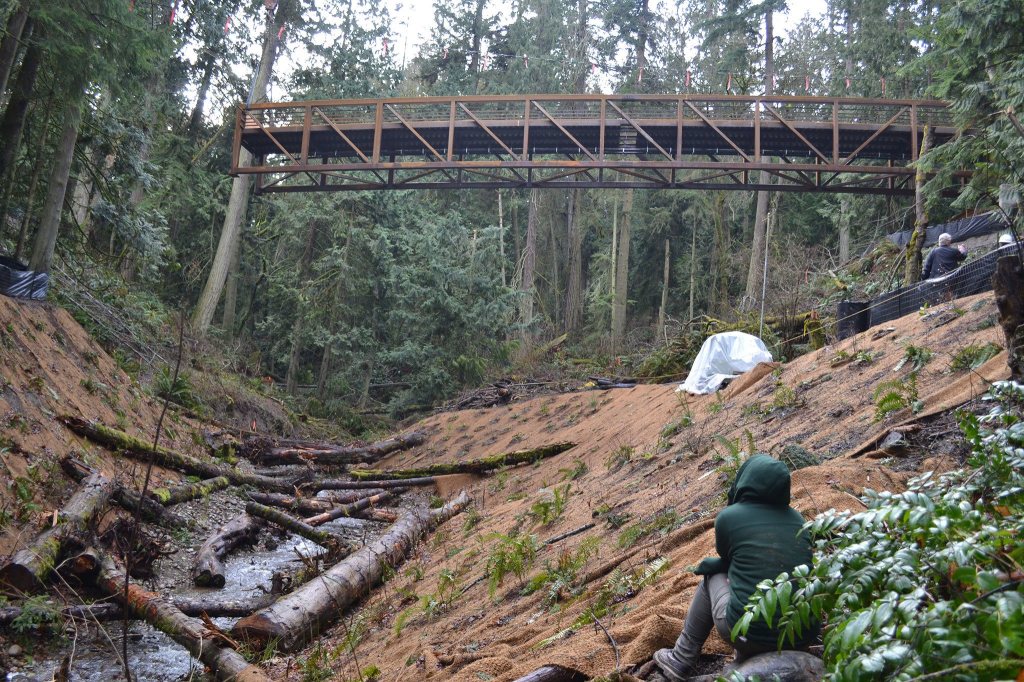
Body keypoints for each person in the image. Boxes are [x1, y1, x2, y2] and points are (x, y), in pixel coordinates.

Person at [651, 455, 819, 681]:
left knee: (713, 575)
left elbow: (729, 559)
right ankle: (744, 659)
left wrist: (709, 566)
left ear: (746, 480)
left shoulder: (729, 518)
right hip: (801, 635)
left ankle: (681, 658)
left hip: (747, 633)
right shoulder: (798, 520)